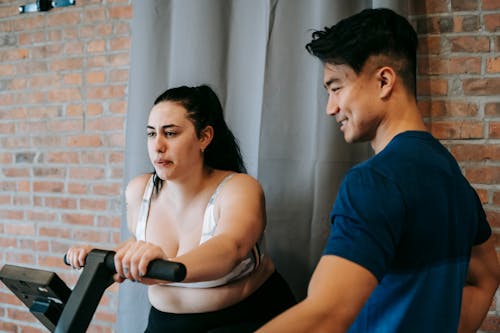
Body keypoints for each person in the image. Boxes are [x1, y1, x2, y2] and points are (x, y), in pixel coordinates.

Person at [257, 8, 500, 333]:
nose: (330, 108)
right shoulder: (451, 176)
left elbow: (326, 315)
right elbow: (487, 279)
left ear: (384, 81)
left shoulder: (374, 182)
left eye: (336, 87)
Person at [66, 85, 296, 332]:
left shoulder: (240, 189)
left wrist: (165, 267)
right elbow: (139, 241)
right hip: (166, 324)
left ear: (204, 137)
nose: (158, 146)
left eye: (171, 133)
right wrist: (103, 258)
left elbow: (231, 248)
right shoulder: (139, 190)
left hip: (243, 320)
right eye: (151, 134)